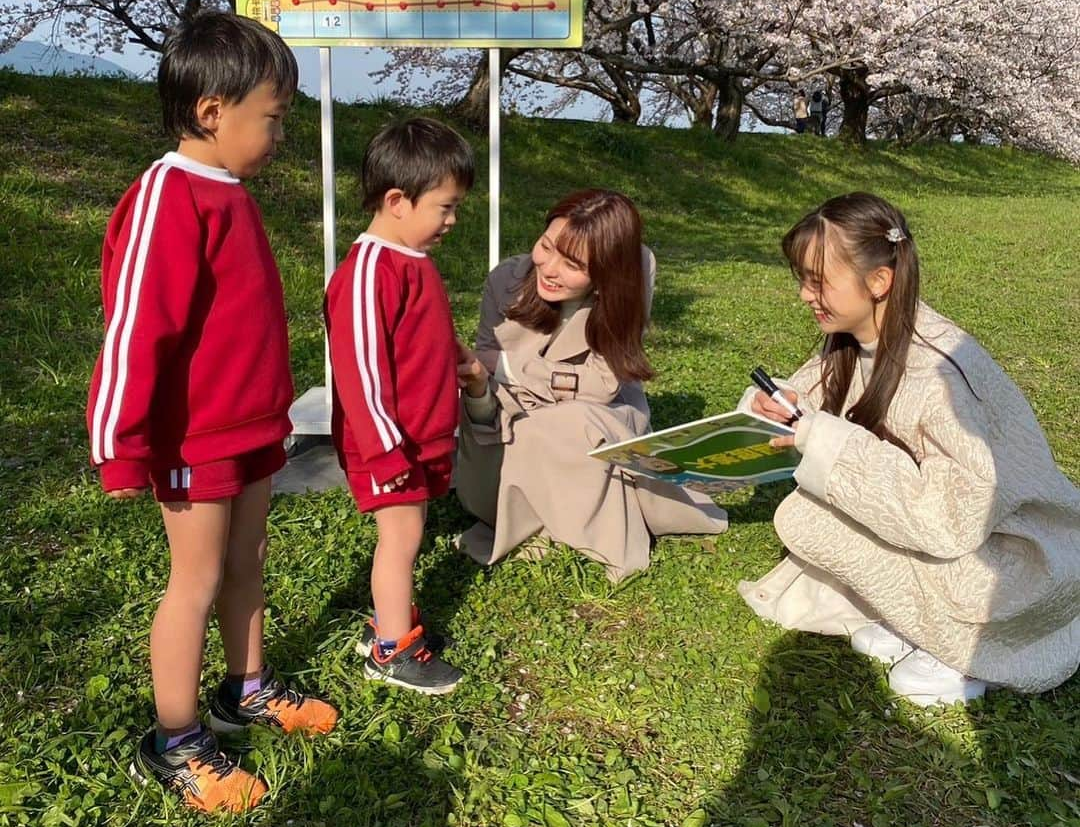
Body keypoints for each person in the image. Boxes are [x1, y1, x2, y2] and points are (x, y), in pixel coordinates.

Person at [87, 12, 338, 815]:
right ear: (211, 111)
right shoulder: (169, 195)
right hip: (194, 438)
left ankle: (247, 687)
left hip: (254, 430)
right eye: (273, 118)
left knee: (248, 562)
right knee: (193, 580)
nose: (279, 135)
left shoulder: (228, 193)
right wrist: (120, 445)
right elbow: (136, 326)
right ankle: (177, 738)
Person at [739, 192, 1080, 705]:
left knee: (821, 513)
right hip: (958, 544)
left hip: (1017, 560)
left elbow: (955, 519)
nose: (805, 295)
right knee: (807, 516)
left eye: (818, 280)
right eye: (801, 279)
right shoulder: (855, 340)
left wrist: (823, 438)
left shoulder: (939, 374)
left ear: (879, 281)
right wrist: (779, 404)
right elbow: (812, 401)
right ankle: (913, 617)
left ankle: (965, 650)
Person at [455, 190, 728, 582]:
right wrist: (490, 382)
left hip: (601, 413)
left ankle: (569, 523)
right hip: (511, 411)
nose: (549, 268)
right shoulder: (506, 280)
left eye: (572, 264)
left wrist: (512, 369)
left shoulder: (633, 275)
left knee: (573, 421)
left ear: (606, 272)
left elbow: (603, 385)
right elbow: (485, 369)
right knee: (514, 430)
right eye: (545, 246)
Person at [325, 117, 474, 694]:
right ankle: (391, 648)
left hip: (417, 437)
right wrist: (386, 451)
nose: (452, 220)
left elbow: (415, 339)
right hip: (387, 445)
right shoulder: (368, 272)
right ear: (397, 201)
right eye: (445, 206)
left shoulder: (411, 260)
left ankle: (388, 627)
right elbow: (360, 373)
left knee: (409, 533)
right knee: (403, 538)